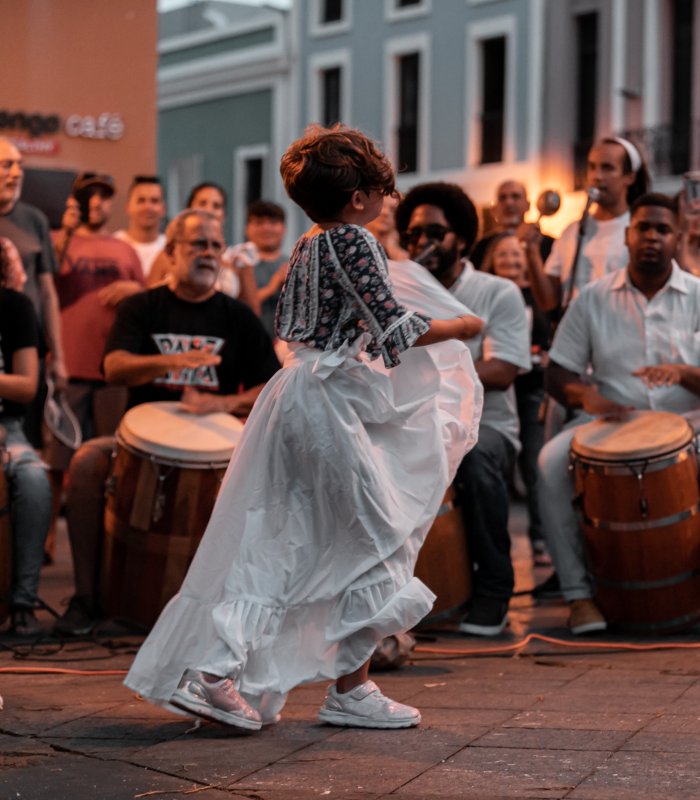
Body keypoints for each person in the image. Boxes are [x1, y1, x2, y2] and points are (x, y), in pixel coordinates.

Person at [123, 125, 483, 731]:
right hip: (325, 406)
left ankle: (313, 680)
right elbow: (394, 330)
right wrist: (462, 325)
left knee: (291, 534)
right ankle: (245, 675)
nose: (388, 202)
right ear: (359, 199)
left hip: (296, 396)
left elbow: (301, 325)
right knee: (376, 533)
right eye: (381, 191)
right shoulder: (356, 243)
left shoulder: (311, 242)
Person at [52, 208, 282, 638]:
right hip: (139, 441)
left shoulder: (237, 317)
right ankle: (86, 598)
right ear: (172, 252)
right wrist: (172, 361)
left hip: (218, 444)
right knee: (85, 462)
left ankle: (238, 603)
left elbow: (273, 384)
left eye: (216, 245)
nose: (210, 253)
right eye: (199, 244)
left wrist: (223, 403)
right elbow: (115, 367)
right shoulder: (143, 306)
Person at [537, 193, 700, 637]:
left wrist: (684, 373)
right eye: (643, 228)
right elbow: (558, 373)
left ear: (678, 237)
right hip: (610, 421)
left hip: (694, 423)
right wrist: (585, 397)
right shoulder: (593, 299)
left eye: (663, 229)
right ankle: (579, 597)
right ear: (628, 235)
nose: (652, 236)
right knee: (549, 464)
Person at [395, 182, 531, 637]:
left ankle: (494, 589)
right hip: (414, 422)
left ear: (463, 239)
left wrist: (436, 375)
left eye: (436, 232)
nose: (422, 243)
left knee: (474, 461)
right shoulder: (402, 291)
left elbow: (504, 370)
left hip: (485, 427)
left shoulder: (497, 293)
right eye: (413, 235)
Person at [44, 172, 145, 537]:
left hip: (112, 370)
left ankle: (106, 536)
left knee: (112, 460)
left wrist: (134, 287)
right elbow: (45, 281)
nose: (97, 203)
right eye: (91, 196)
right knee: (57, 461)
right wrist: (67, 232)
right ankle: (47, 540)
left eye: (104, 196)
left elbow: (147, 299)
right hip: (68, 366)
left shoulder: (124, 249)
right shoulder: (58, 240)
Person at [481, 233, 554, 566]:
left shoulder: (536, 295)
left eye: (516, 255)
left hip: (534, 389)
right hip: (496, 391)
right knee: (496, 469)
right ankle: (496, 548)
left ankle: (541, 538)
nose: (510, 261)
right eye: (503, 255)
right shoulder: (486, 297)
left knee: (536, 463)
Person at [528, 137, 650, 313]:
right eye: (592, 167)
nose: (597, 176)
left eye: (607, 168)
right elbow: (548, 301)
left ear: (630, 177)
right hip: (575, 333)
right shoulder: (572, 231)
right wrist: (531, 253)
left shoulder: (639, 229)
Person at [0, 136, 68, 438]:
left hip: (26, 343)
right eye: (6, 165)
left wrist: (59, 356)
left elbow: (48, 292)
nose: (16, 173)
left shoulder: (35, 220)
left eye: (19, 165)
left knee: (27, 436)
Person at [0, 258, 53, 636]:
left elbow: (26, 386)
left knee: (34, 479)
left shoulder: (15, 306)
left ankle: (22, 601)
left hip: (8, 427)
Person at [148, 183, 260, 314]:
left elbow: (252, 311)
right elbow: (150, 301)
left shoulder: (238, 259)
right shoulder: (169, 254)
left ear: (224, 215)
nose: (209, 210)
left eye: (216, 205)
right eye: (202, 203)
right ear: (189, 210)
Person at [227, 200, 289, 335]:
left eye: (273, 222)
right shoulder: (236, 264)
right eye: (259, 223)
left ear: (284, 229)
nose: (266, 228)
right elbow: (233, 306)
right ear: (247, 228)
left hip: (287, 347)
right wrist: (271, 288)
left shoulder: (294, 264)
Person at [470, 180, 554, 267]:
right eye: (502, 198)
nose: (508, 203)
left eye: (515, 197)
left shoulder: (550, 245)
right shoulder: (482, 247)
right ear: (494, 208)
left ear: (528, 205)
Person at [115, 176, 167, 276]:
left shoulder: (171, 248)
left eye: (154, 201)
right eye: (141, 200)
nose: (148, 207)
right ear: (127, 207)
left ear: (164, 209)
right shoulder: (112, 245)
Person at [364, 190, 405, 261]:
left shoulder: (407, 247)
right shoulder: (354, 242)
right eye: (381, 206)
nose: (385, 213)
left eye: (393, 210)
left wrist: (393, 247)